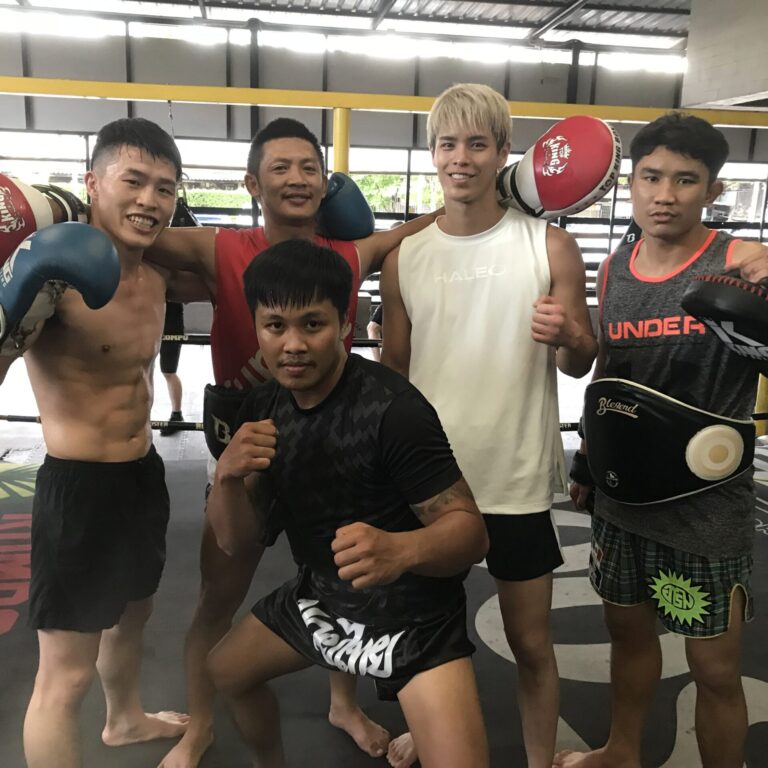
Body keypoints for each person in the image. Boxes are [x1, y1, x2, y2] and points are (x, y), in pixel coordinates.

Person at [147, 117, 442, 768]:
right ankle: (199, 727)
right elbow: (136, 230)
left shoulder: (348, 255)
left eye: (309, 167)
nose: (297, 178)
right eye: (279, 167)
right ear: (252, 184)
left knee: (341, 580)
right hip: (244, 445)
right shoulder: (221, 248)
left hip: (331, 442)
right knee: (216, 596)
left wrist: (506, 189)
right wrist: (52, 210)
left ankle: (343, 703)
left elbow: (415, 229)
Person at [205, 238, 490, 768]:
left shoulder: (394, 411)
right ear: (257, 327)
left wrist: (401, 550)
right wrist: (225, 477)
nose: (293, 344)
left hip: (412, 616)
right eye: (275, 326)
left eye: (312, 324)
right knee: (226, 671)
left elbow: (471, 533)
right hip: (323, 601)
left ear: (344, 323)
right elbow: (234, 541)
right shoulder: (262, 407)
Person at [380, 83, 597, 768]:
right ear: (433, 153)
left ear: (504, 152)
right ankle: (430, 730)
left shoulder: (550, 246)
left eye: (477, 144)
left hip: (516, 476)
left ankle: (539, 759)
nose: (461, 158)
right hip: (429, 481)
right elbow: (393, 374)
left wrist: (569, 335)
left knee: (531, 643)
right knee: (423, 634)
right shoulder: (404, 257)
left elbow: (580, 360)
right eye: (448, 144)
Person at [557, 112, 768, 768]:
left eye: (685, 180)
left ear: (713, 190)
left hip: (707, 509)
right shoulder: (615, 268)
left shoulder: (740, 265)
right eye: (651, 177)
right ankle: (620, 751)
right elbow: (608, 373)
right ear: (632, 181)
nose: (665, 195)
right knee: (627, 638)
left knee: (715, 669)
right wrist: (587, 465)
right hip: (623, 503)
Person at [0, 118, 190, 768]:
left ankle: (125, 721)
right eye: (133, 181)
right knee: (64, 676)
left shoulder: (157, 275)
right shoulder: (55, 283)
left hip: (142, 477)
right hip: (77, 491)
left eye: (164, 188)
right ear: (93, 183)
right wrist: (12, 292)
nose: (149, 200)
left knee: (133, 618)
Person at [159, 301, 186, 435]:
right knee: (142, 371)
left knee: (169, 371)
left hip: (170, 326)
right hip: (146, 325)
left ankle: (176, 414)